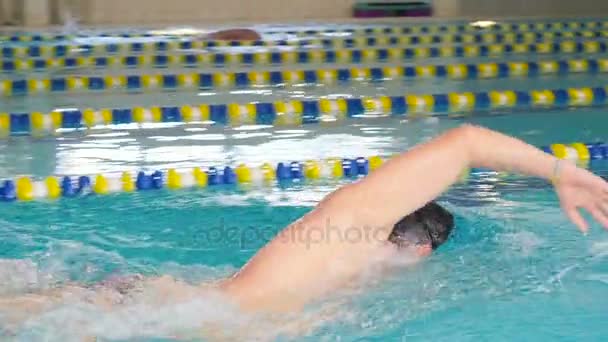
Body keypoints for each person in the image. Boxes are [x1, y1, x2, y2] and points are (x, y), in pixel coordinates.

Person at [1, 124, 608, 322]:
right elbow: (468, 141)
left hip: (163, 302)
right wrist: (559, 170)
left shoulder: (363, 267)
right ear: (421, 248)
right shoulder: (357, 224)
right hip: (159, 315)